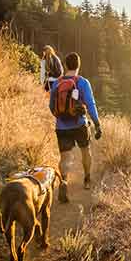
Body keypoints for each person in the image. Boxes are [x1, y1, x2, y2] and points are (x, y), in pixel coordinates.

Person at [50, 52, 101, 201]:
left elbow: (51, 106)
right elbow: (91, 105)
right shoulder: (83, 82)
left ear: (65, 65)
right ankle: (86, 179)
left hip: (61, 127)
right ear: (79, 65)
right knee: (86, 151)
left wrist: (61, 116)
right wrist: (97, 124)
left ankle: (64, 182)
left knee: (64, 157)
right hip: (80, 124)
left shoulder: (57, 83)